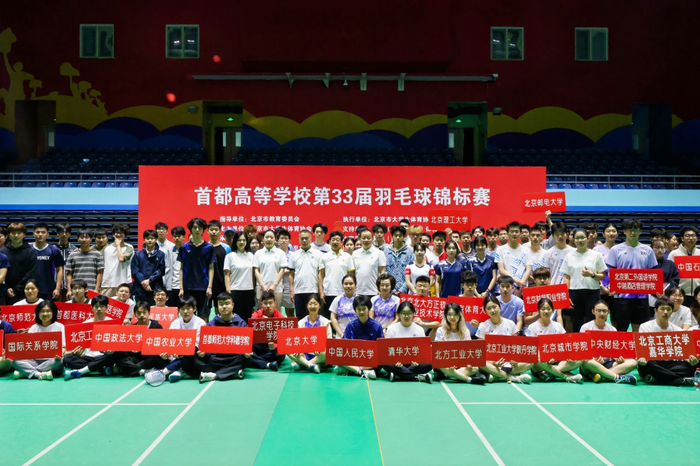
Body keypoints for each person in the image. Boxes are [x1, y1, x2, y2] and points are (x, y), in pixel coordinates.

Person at [605, 218, 658, 332]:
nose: (633, 232)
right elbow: (611, 271)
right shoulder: (616, 250)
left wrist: (655, 288)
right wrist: (613, 286)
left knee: (639, 329)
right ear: (625, 231)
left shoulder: (648, 250)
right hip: (621, 297)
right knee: (621, 329)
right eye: (630, 230)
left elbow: (652, 273)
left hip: (642, 297)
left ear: (640, 231)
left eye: (635, 230)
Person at [637, 297, 699, 386]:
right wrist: (643, 359)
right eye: (662, 309)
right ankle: (678, 380)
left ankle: (658, 377)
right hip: (653, 362)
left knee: (692, 366)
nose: (665, 312)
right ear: (655, 310)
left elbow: (683, 352)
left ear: (672, 311)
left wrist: (690, 360)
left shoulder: (677, 330)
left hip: (670, 363)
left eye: (668, 309)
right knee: (646, 365)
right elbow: (642, 351)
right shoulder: (645, 327)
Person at [526, 298, 584, 383]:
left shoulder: (558, 326)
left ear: (552, 310)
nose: (546, 311)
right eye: (543, 309)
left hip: (557, 361)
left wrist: (568, 356)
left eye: (548, 309)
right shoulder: (532, 327)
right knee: (536, 359)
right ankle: (565, 376)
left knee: (580, 359)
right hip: (540, 363)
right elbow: (531, 350)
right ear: (538, 311)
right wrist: (545, 358)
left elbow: (565, 345)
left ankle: (549, 372)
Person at [476, 296, 532, 384]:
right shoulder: (483, 326)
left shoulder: (510, 324)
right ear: (485, 311)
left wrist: (515, 360)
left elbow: (516, 346)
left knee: (531, 362)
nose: (492, 310)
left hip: (509, 362)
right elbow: (480, 351)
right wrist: (493, 363)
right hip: (491, 362)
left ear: (499, 307)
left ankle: (496, 374)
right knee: (480, 363)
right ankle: (512, 377)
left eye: (494, 307)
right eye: (489, 308)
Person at [579, 301, 638, 384]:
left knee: (632, 362)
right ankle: (616, 377)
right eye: (598, 311)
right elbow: (582, 350)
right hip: (592, 363)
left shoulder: (612, 329)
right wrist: (594, 359)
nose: (601, 314)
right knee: (587, 361)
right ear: (593, 311)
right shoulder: (585, 327)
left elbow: (615, 350)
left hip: (608, 363)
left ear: (608, 312)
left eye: (604, 311)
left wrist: (618, 358)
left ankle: (601, 376)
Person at [196, 292, 249, 382]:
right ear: (217, 306)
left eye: (227, 303)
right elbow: (206, 347)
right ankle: (231, 372)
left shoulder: (241, 324)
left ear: (232, 305)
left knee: (248, 359)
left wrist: (245, 353)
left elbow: (246, 345)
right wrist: (204, 354)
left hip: (234, 358)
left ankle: (215, 375)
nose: (224, 307)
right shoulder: (210, 325)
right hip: (215, 359)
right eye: (221, 304)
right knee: (196, 360)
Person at [562, 228, 607, 331]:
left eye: (582, 237)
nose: (580, 240)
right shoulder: (569, 256)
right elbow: (566, 277)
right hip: (574, 293)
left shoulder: (596, 255)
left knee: (592, 321)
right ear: (573, 239)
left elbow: (602, 275)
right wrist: (566, 294)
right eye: (577, 238)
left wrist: (591, 274)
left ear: (587, 239)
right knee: (576, 322)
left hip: (592, 292)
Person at [63, 295, 116, 380]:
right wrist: (77, 352)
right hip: (88, 356)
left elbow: (115, 343)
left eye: (102, 306)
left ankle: (81, 371)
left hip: (104, 356)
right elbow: (81, 345)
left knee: (114, 355)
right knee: (67, 359)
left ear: (106, 308)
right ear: (92, 308)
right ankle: (100, 368)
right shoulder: (85, 324)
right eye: (96, 306)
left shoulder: (112, 323)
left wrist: (110, 349)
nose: (99, 309)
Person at [433, 302, 486, 384]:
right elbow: (438, 351)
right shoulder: (440, 330)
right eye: (449, 314)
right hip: (445, 364)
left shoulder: (465, 331)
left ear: (460, 315)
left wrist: (468, 363)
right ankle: (469, 379)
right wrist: (448, 363)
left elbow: (469, 350)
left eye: (455, 314)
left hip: (461, 365)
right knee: (440, 365)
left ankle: (447, 375)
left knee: (475, 368)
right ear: (445, 316)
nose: (452, 317)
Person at [12, 300, 65, 380]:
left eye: (48, 311)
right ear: (37, 314)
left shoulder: (59, 326)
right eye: (42, 311)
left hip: (51, 360)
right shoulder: (33, 328)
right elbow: (28, 349)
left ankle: (27, 372)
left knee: (58, 362)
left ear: (53, 312)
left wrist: (60, 354)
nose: (45, 314)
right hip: (34, 360)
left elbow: (63, 348)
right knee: (15, 361)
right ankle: (39, 374)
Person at [159, 295, 208, 383]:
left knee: (193, 352)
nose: (185, 311)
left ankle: (166, 370)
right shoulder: (175, 323)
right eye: (182, 309)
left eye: (188, 308)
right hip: (176, 355)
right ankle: (178, 370)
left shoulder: (200, 323)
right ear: (178, 310)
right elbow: (170, 342)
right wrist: (167, 353)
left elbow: (196, 345)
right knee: (156, 352)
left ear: (194, 309)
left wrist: (181, 351)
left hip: (192, 356)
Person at [382, 301, 433, 383]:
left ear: (413, 314)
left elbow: (423, 350)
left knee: (430, 363)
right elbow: (387, 350)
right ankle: (417, 377)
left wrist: (417, 361)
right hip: (397, 363)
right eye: (404, 313)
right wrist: (395, 361)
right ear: (399, 314)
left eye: (409, 313)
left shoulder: (419, 329)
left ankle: (398, 375)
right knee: (384, 362)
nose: (406, 316)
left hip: (414, 364)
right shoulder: (392, 329)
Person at [335, 295, 383, 379]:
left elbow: (381, 347)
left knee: (381, 361)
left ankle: (352, 370)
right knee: (338, 357)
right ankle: (361, 371)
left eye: (364, 309)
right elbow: (344, 346)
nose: (361, 312)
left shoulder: (377, 326)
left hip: (370, 358)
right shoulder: (350, 325)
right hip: (354, 358)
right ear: (355, 310)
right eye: (359, 309)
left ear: (369, 309)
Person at [178, 218, 217, 322]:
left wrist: (209, 287)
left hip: (203, 287)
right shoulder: (184, 247)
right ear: (191, 229)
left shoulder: (209, 247)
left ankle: (202, 332)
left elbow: (211, 268)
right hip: (188, 287)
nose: (197, 230)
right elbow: (181, 268)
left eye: (199, 227)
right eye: (194, 227)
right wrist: (181, 288)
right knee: (188, 315)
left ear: (203, 229)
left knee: (203, 316)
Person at [113, 301, 165, 377]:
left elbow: (160, 345)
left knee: (157, 356)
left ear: (149, 313)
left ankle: (133, 369)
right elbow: (128, 347)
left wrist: (142, 349)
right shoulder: (133, 328)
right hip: (137, 357)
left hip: (150, 357)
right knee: (120, 359)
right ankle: (142, 370)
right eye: (139, 313)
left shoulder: (156, 326)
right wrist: (131, 349)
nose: (142, 315)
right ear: (135, 314)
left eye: (144, 312)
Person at [289, 294, 332, 373]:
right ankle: (311, 365)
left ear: (319, 306)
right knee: (288, 350)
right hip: (304, 354)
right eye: (310, 304)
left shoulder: (325, 322)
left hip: (320, 355)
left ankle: (304, 364)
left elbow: (329, 341)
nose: (313, 306)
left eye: (315, 304)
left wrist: (320, 349)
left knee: (327, 352)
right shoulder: (301, 323)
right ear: (306, 306)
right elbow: (297, 341)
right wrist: (297, 349)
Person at [319, 231, 355, 320]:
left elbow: (351, 274)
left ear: (341, 242)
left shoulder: (347, 257)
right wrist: (321, 291)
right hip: (329, 292)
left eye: (337, 240)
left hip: (344, 292)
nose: (335, 242)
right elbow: (321, 275)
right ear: (330, 241)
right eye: (333, 239)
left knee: (343, 316)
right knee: (329, 316)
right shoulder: (324, 256)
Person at [289, 229, 323, 320]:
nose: (304, 240)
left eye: (306, 238)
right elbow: (291, 274)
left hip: (313, 290)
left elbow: (320, 273)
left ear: (311, 239)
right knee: (300, 317)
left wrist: (320, 290)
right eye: (302, 239)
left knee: (314, 316)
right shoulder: (294, 255)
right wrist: (292, 290)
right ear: (299, 240)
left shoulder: (318, 254)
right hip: (298, 291)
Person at [248, 291, 286, 371]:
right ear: (261, 304)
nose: (268, 306)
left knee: (281, 353)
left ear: (275, 303)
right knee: (246, 352)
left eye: (270, 303)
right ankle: (268, 364)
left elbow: (284, 338)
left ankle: (257, 361)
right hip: (258, 346)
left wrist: (275, 346)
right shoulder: (256, 315)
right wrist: (263, 322)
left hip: (271, 347)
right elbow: (250, 332)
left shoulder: (280, 317)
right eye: (265, 303)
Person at [1, 222, 38, 304]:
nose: (16, 235)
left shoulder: (30, 252)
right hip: (5, 293)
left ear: (24, 235)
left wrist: (17, 289)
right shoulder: (2, 252)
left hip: (24, 293)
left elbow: (31, 273)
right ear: (9, 235)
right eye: (13, 233)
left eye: (19, 233)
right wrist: (6, 288)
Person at [223, 231, 256, 322]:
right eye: (239, 240)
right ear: (235, 242)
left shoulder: (251, 256)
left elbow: (253, 274)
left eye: (244, 240)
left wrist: (254, 289)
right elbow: (227, 275)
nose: (242, 242)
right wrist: (228, 291)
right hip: (235, 290)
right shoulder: (229, 256)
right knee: (235, 317)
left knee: (247, 316)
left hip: (249, 291)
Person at [495, 221, 533, 296]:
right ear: (508, 234)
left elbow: (528, 270)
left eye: (516, 232)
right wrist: (518, 282)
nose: (514, 234)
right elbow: (501, 270)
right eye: (512, 232)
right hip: (506, 288)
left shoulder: (526, 250)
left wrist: (519, 287)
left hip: (522, 288)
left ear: (520, 234)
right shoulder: (500, 250)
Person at [65, 228, 104, 299]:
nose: (84, 240)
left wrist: (96, 289)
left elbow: (100, 273)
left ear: (91, 239)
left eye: (86, 237)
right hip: (76, 290)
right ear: (78, 239)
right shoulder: (72, 255)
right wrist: (69, 290)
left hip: (91, 289)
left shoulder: (97, 254)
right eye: (81, 237)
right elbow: (69, 274)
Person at [253, 230, 287, 311]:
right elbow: (256, 271)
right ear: (263, 239)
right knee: (262, 312)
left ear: (275, 240)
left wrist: (274, 285)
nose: (269, 239)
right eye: (267, 237)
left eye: (271, 237)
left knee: (276, 312)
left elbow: (282, 270)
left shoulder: (280, 253)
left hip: (276, 288)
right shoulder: (258, 253)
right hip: (261, 288)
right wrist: (263, 286)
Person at [131, 229, 166, 306]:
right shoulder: (137, 254)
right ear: (144, 240)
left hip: (155, 288)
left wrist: (149, 280)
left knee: (154, 310)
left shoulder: (161, 255)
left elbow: (161, 270)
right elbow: (135, 270)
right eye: (147, 238)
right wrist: (143, 282)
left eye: (152, 238)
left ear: (156, 239)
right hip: (139, 288)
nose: (150, 240)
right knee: (140, 309)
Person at [668, 226, 700, 308]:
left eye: (693, 236)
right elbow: (669, 274)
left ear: (696, 238)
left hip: (698, 294)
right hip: (680, 294)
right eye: (687, 236)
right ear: (682, 238)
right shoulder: (674, 254)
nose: (691, 238)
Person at [31, 222, 64, 301]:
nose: (40, 234)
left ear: (47, 234)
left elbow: (59, 270)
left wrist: (57, 288)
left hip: (49, 289)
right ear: (33, 234)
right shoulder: (28, 249)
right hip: (32, 289)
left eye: (43, 232)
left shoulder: (54, 250)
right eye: (38, 232)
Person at [100, 223, 134, 297]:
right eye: (117, 233)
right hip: (107, 284)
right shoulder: (107, 248)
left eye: (121, 233)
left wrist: (118, 245)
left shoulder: (129, 247)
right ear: (113, 235)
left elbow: (121, 259)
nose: (119, 235)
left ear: (125, 235)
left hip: (122, 283)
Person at [352, 229, 386, 298]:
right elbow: (353, 272)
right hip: (358, 291)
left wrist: (380, 287)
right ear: (360, 239)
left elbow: (382, 271)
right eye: (364, 238)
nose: (366, 240)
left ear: (372, 239)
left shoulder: (379, 253)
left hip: (374, 291)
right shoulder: (355, 253)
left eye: (368, 238)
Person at [207, 220, 230, 316]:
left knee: (220, 311)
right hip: (207, 285)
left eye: (216, 230)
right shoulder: (204, 247)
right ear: (207, 231)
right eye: (211, 229)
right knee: (206, 311)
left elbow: (229, 268)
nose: (213, 232)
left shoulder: (226, 248)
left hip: (221, 285)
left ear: (220, 231)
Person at [649, 239, 680, 311]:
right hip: (649, 298)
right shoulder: (646, 264)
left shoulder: (670, 264)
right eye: (657, 247)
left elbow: (675, 280)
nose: (660, 250)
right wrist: (655, 291)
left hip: (666, 296)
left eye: (662, 248)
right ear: (651, 249)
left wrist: (665, 290)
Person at [384, 225, 415, 296]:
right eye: (395, 235)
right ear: (392, 236)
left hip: (405, 291)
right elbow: (384, 272)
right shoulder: (386, 252)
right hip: (388, 290)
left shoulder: (410, 252)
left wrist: (402, 290)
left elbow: (411, 272)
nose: (398, 237)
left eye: (400, 235)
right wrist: (392, 289)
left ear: (404, 236)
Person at [275, 228, 295, 317]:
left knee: (290, 312)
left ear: (289, 241)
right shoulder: (274, 254)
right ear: (277, 240)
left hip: (288, 285)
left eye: (286, 238)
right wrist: (286, 270)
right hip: (275, 285)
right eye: (281, 238)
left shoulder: (293, 255)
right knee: (275, 311)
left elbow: (294, 270)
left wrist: (283, 270)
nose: (283, 240)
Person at [56, 223, 77, 301]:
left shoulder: (74, 249)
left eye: (66, 232)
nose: (64, 234)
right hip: (55, 287)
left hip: (70, 286)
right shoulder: (52, 249)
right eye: (62, 232)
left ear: (70, 234)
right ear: (57, 233)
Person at [155, 222, 175, 299]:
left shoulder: (172, 246)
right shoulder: (152, 246)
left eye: (163, 229)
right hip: (155, 279)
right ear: (156, 231)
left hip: (169, 279)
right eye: (159, 229)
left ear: (167, 232)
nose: (161, 231)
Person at [169, 226, 185, 306]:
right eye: (175, 236)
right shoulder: (169, 251)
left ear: (183, 237)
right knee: (172, 309)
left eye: (179, 236)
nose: (177, 238)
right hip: (172, 286)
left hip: (185, 287)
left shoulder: (188, 250)